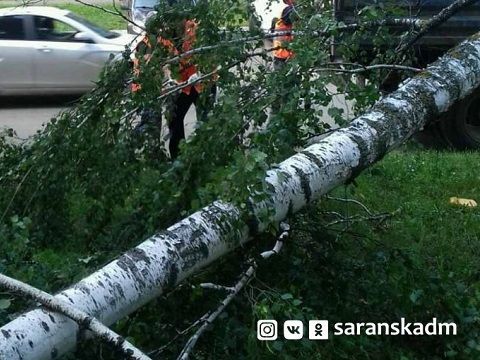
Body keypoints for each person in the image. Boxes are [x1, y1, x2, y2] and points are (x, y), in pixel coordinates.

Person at [132, 2, 217, 160]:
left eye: (174, 20)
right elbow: (163, 60)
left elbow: (209, 55)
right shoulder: (163, 35)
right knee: (174, 120)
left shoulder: (196, 29)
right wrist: (171, 77)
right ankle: (178, 159)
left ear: (182, 17)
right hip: (183, 85)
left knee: (206, 121)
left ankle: (206, 157)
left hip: (204, 83)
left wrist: (201, 72)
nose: (172, 24)